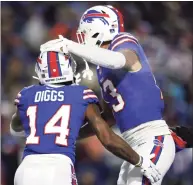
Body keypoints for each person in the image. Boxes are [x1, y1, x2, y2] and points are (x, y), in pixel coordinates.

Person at [40, 5, 177, 185]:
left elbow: (118, 60)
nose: (81, 36)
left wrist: (68, 45)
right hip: (132, 145)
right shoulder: (101, 67)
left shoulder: (123, 41)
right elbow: (108, 119)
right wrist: (69, 135)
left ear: (98, 27)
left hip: (152, 136)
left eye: (84, 31)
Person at [10, 51, 161, 185]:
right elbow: (107, 138)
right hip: (57, 168)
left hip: (26, 169)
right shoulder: (81, 94)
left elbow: (15, 128)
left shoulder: (26, 94)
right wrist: (140, 161)